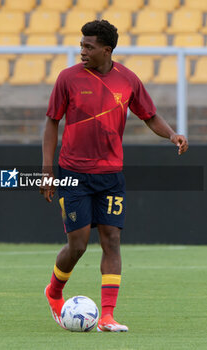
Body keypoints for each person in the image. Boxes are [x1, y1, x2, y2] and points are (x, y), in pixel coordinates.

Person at [40, 20, 188, 332]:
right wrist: (47, 169)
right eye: (81, 45)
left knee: (112, 240)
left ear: (106, 50)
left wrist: (172, 134)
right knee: (78, 245)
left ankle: (107, 316)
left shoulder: (128, 80)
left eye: (88, 47)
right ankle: (54, 292)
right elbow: (52, 122)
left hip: (110, 175)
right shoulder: (67, 79)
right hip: (73, 173)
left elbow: (149, 115)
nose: (82, 51)